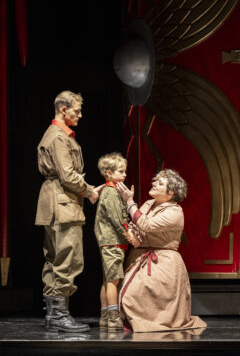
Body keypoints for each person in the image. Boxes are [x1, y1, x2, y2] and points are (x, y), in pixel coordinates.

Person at [35, 90, 103, 333]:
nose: (80, 115)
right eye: (77, 110)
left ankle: (54, 314)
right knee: (68, 259)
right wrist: (89, 191)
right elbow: (68, 175)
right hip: (62, 203)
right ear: (63, 110)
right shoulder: (59, 138)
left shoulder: (58, 135)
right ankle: (59, 315)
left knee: (55, 259)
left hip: (55, 202)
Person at [116, 169, 207, 332]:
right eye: (155, 181)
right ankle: (133, 323)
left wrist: (130, 202)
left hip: (163, 261)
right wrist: (133, 234)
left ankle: (148, 323)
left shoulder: (174, 212)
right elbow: (136, 223)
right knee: (125, 292)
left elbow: (146, 225)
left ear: (170, 192)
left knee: (132, 294)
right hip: (140, 256)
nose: (154, 184)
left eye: (160, 183)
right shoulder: (148, 204)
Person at [94, 153, 133, 330]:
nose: (124, 175)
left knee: (108, 279)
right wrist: (128, 234)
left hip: (111, 241)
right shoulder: (110, 192)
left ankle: (105, 316)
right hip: (112, 242)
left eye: (124, 171)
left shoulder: (112, 190)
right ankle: (113, 317)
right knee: (113, 280)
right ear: (109, 173)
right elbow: (117, 219)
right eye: (120, 171)